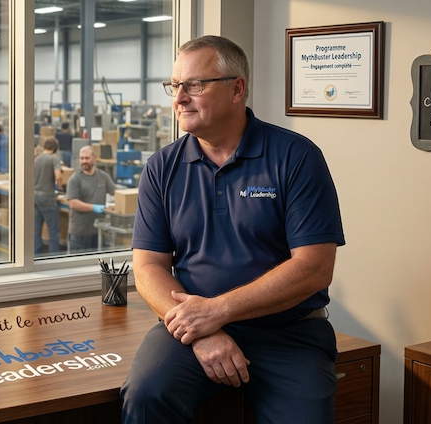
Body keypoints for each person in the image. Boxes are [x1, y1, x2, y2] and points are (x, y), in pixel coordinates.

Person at [119, 36, 345, 424]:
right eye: (174, 86)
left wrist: (217, 311)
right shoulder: (162, 167)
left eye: (194, 85)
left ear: (236, 88)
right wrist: (203, 330)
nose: (179, 98)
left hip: (288, 333)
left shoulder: (296, 157)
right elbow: (148, 268)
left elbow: (314, 268)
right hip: (189, 330)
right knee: (146, 396)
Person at [65, 145, 115, 253]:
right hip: (80, 234)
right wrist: (94, 207)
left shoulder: (104, 177)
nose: (84, 161)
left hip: (98, 232)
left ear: (94, 158)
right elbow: (73, 203)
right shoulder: (75, 179)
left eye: (87, 158)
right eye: (81, 158)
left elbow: (116, 194)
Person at [33, 137, 63, 254]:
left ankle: (36, 255)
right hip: (47, 197)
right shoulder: (54, 159)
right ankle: (53, 256)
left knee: (36, 230)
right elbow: (59, 176)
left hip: (34, 196)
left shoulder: (36, 159)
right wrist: (59, 187)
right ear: (55, 148)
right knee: (53, 230)